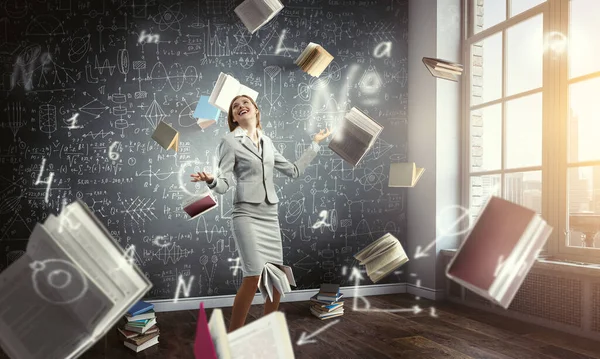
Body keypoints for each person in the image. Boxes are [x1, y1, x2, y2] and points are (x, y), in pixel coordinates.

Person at [191, 95, 331, 332]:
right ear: (234, 118)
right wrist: (212, 180)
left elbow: (294, 171)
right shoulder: (229, 141)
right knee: (253, 275)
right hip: (245, 214)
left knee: (277, 277)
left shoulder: (268, 142)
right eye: (235, 107)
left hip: (269, 214)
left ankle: (267, 332)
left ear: (256, 110)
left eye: (245, 103)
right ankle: (233, 337)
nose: (240, 106)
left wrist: (315, 144)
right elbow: (224, 185)